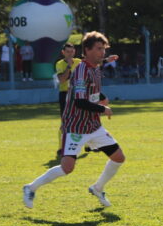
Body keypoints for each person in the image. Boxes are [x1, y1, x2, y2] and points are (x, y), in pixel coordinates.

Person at [22, 31, 125, 209]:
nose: (103, 53)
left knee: (118, 157)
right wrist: (103, 107)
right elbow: (79, 100)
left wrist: (101, 95)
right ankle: (30, 187)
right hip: (76, 127)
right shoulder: (81, 71)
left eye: (104, 49)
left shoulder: (94, 67)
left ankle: (98, 188)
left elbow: (92, 88)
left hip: (93, 126)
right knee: (67, 168)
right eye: (99, 49)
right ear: (87, 49)